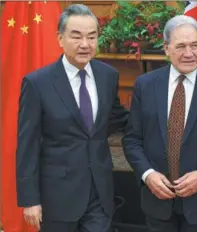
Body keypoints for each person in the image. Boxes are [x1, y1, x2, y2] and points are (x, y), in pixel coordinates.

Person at [122, 15, 197, 232]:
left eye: (194, 45)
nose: (189, 53)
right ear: (167, 48)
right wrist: (148, 174)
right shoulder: (145, 85)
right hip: (157, 203)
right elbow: (132, 140)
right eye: (180, 46)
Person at [16, 4, 128, 232]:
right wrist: (30, 199)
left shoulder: (108, 76)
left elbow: (118, 119)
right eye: (76, 37)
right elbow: (27, 145)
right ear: (60, 38)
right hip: (58, 197)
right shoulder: (38, 83)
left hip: (99, 193)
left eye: (92, 36)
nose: (85, 44)